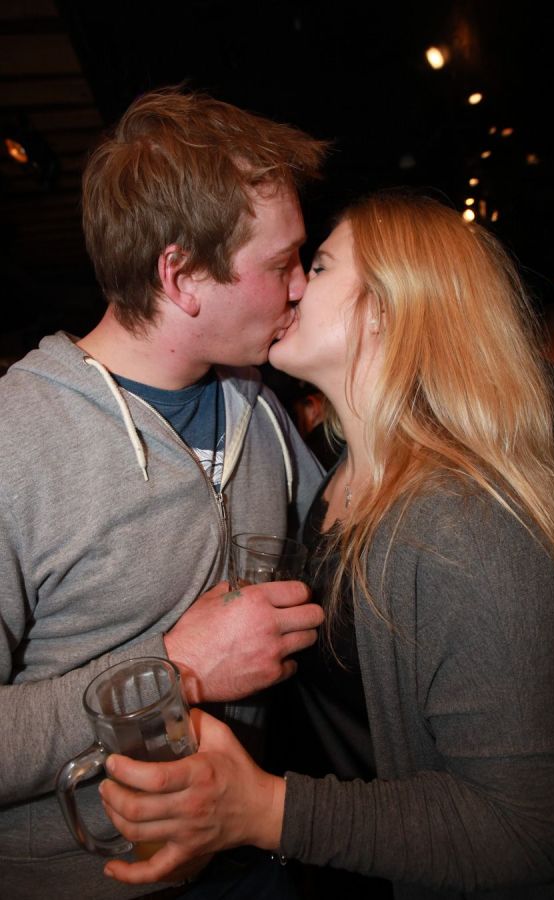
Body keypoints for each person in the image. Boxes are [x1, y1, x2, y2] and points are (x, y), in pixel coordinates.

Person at [98, 191, 554, 899]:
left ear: (385, 310)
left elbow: (523, 831)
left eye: (320, 266)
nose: (293, 286)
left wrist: (263, 809)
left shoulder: (470, 526)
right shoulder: (340, 479)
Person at [0, 86, 328, 900]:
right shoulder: (15, 439)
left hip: (247, 859)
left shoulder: (256, 402)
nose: (301, 288)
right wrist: (175, 668)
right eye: (281, 265)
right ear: (181, 276)